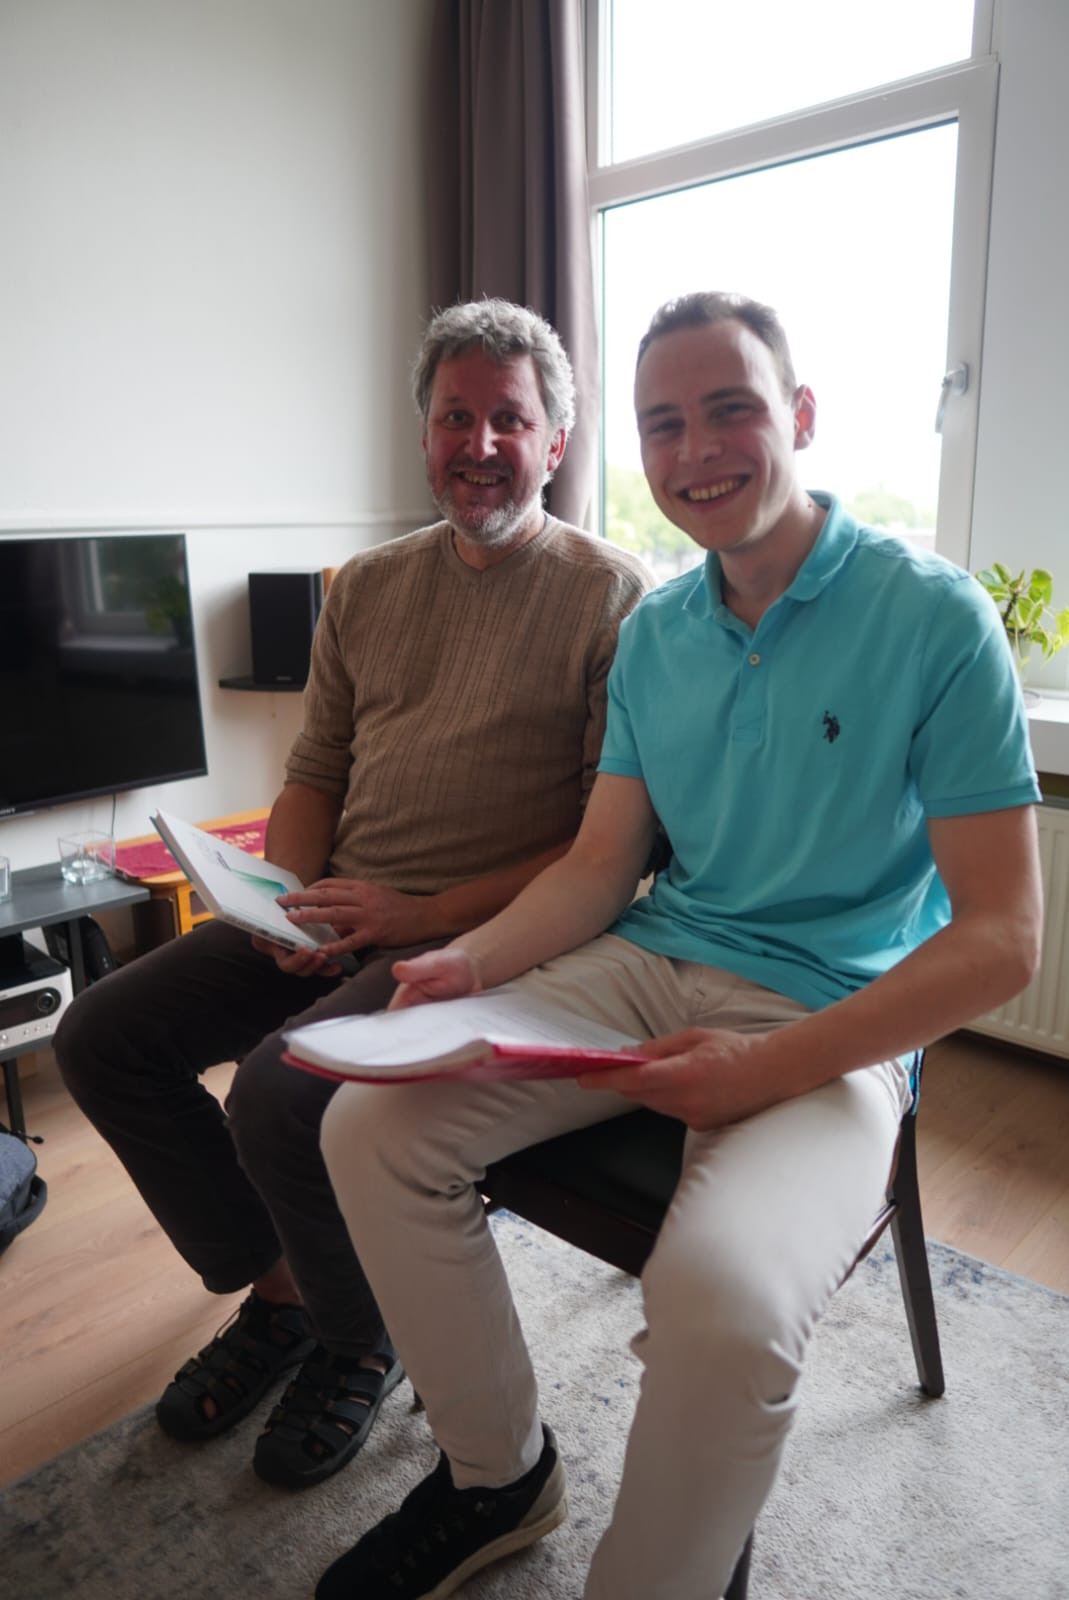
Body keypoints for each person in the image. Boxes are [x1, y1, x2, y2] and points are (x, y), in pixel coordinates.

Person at [316, 291, 1043, 1599]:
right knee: (366, 1131)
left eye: (731, 408)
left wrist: (763, 1073)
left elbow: (1001, 942)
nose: (697, 447)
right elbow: (601, 866)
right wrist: (473, 963)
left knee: (722, 1307)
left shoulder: (934, 620)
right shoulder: (654, 631)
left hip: (830, 1019)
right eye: (665, 422)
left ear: (800, 416)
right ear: (639, 452)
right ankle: (498, 1477)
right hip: (649, 963)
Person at [53, 298, 652, 1491]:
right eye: (453, 417)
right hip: (343, 905)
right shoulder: (367, 587)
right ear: (422, 430)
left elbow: (609, 845)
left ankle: (357, 1334)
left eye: (508, 420)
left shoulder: (613, 596)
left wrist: (410, 917)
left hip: (489, 935)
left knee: (283, 1091)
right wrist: (287, 898)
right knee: (101, 1034)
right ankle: (288, 1297)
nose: (478, 444)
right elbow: (317, 769)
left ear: (554, 441)